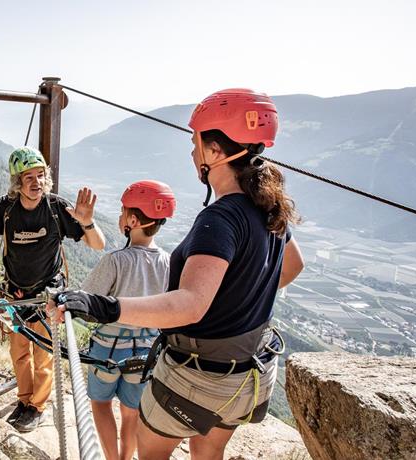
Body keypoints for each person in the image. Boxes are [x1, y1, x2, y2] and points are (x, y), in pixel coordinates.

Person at [48, 89, 305, 460]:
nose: (191, 151)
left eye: (195, 141)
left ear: (215, 152)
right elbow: (292, 266)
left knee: (150, 451)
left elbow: (189, 305)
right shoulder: (268, 206)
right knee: (208, 449)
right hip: (250, 373)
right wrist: (233, 300)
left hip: (198, 376)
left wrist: (103, 307)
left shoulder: (219, 219)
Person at [0, 146, 106, 432]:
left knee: (43, 354)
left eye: (40, 175)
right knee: (20, 353)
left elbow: (98, 245)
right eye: (28, 177)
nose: (36, 182)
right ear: (17, 182)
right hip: (16, 294)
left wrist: (87, 222)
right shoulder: (4, 209)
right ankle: (24, 400)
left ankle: (37, 406)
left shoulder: (56, 209)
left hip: (47, 296)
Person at [81, 180, 176, 460]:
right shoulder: (169, 263)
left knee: (100, 404)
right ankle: (125, 458)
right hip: (146, 353)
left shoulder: (116, 261)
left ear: (133, 220)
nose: (120, 216)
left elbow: (86, 303)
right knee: (131, 410)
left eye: (123, 212)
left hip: (107, 350)